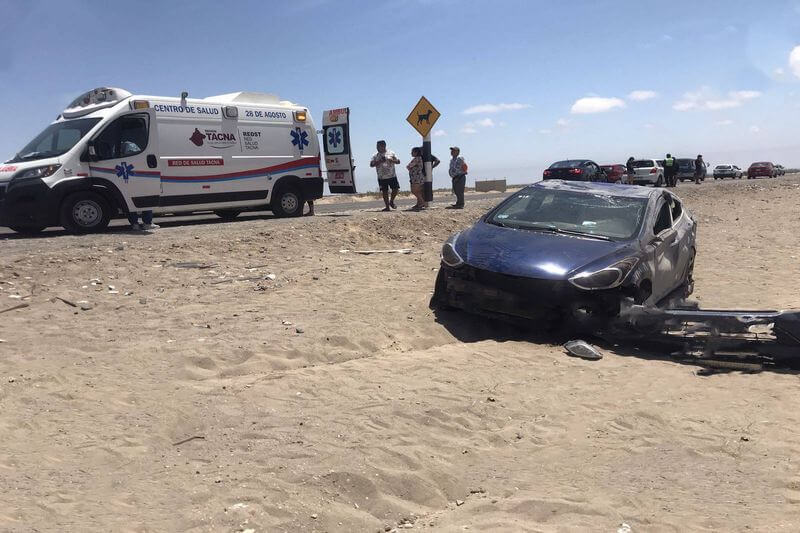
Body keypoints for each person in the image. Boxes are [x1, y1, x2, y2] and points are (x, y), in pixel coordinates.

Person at [369, 140, 401, 211]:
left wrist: (392, 160)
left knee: (395, 189)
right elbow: (371, 164)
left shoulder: (391, 153)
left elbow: (398, 161)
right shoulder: (375, 155)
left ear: (384, 146)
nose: (377, 148)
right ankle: (387, 207)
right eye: (376, 146)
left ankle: (391, 201)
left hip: (392, 175)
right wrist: (379, 161)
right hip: (381, 177)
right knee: (384, 191)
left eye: (378, 146)